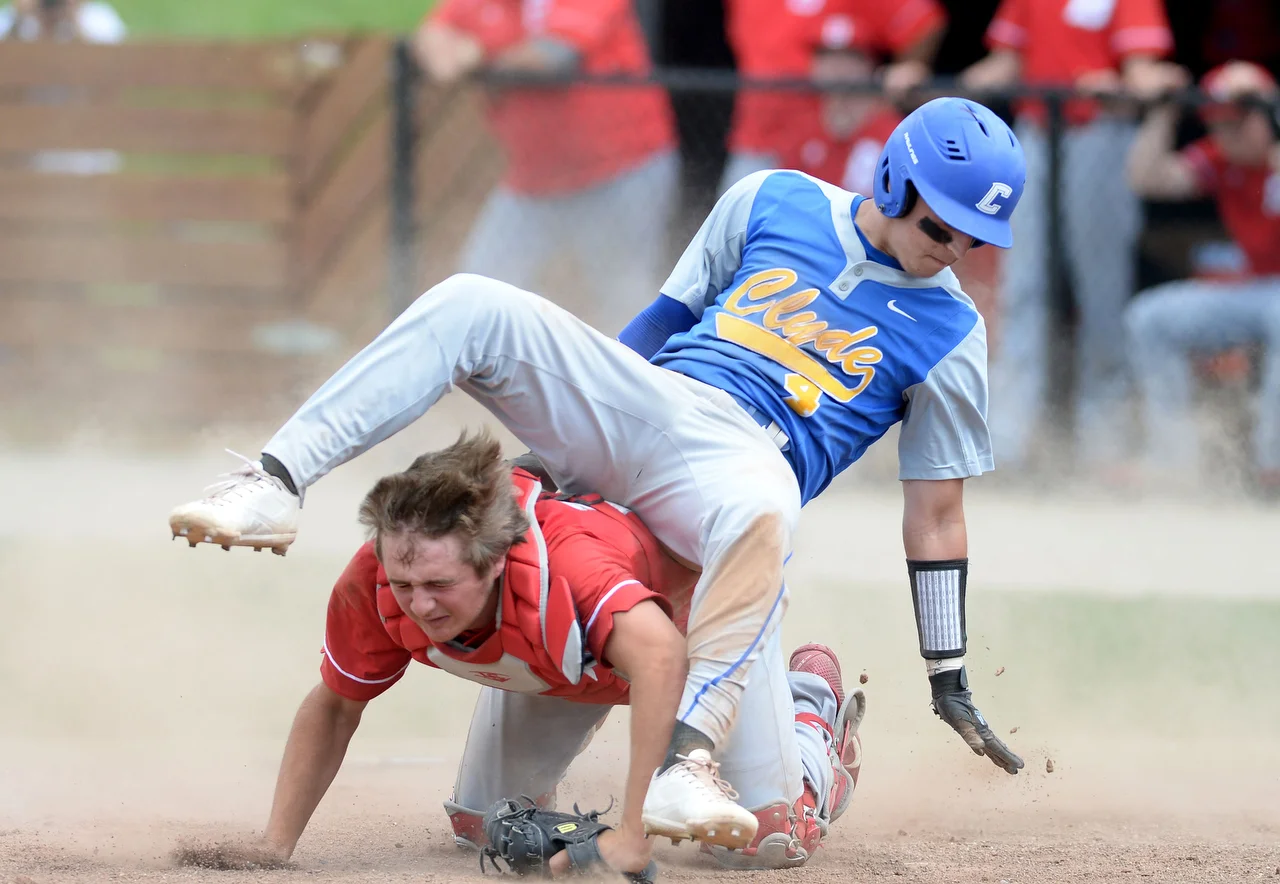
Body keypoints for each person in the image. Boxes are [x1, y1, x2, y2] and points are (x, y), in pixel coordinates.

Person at [169, 96, 1028, 862]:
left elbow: (938, 517)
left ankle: (767, 729)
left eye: (974, 239)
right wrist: (573, 448)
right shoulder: (777, 199)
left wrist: (947, 674)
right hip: (656, 402)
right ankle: (275, 479)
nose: (953, 250)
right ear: (890, 179)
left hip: (741, 482)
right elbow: (665, 319)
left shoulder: (951, 331)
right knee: (473, 301)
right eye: (941, 227)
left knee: (769, 841)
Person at [177, 432, 863, 876]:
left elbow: (663, 661)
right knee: (486, 830)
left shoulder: (566, 571)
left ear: (497, 561)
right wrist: (276, 844)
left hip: (706, 659)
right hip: (564, 668)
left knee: (769, 842)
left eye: (440, 584)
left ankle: (810, 710)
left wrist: (631, 835)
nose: (417, 604)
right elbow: (335, 707)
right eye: (403, 582)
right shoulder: (374, 579)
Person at [961, 0, 1182, 473]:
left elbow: (1144, 73)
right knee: (1023, 289)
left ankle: (1102, 441)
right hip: (1035, 137)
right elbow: (1007, 62)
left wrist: (1128, 86)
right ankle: (1009, 439)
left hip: (1099, 135)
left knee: (1101, 294)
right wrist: (944, 94)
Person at [414, 0, 678, 331]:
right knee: (478, 282)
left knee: (623, 296)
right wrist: (464, 53)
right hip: (534, 180)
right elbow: (435, 47)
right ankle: (523, 370)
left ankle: (638, 379)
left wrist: (475, 52)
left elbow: (550, 59)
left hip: (620, 171)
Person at [1124, 60, 1280, 490]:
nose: (1226, 135)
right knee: (1150, 317)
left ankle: (1274, 464)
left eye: (1239, 121)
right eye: (1220, 124)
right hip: (1252, 289)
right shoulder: (1220, 157)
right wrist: (1161, 115)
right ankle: (1175, 461)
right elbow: (1148, 178)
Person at [720, 0, 946, 193]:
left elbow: (922, 21)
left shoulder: (886, 131)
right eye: (826, 57)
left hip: (842, 132)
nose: (836, 67)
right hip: (758, 136)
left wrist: (900, 77)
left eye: (847, 57)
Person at [0, 0, 126, 176]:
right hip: (23, 159)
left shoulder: (99, 20)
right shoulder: (10, 21)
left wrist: (73, 21)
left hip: (83, 158)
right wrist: (20, 20)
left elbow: (107, 92)